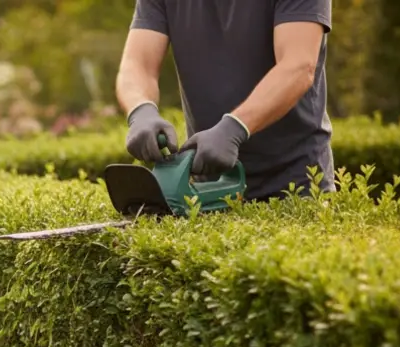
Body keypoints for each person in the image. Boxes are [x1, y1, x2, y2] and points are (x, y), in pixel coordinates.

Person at [116, 1, 334, 202]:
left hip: (296, 184)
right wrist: (141, 110)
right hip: (208, 188)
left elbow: (298, 66)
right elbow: (138, 64)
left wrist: (234, 128)